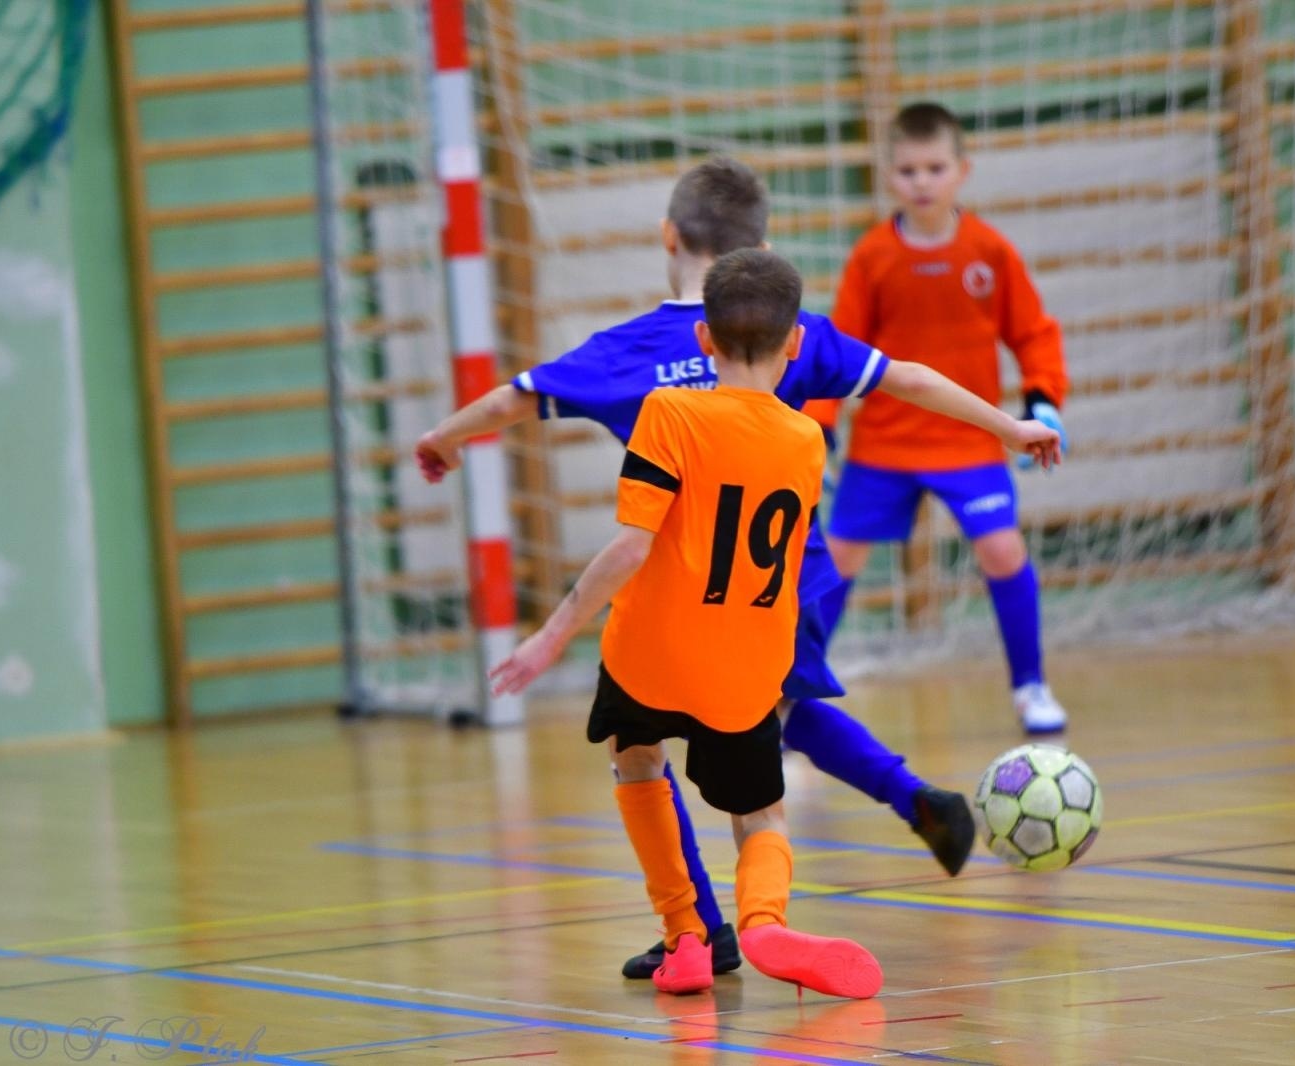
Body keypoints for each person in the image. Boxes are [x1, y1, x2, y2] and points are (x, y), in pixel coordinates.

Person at [415, 157, 1060, 980]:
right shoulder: (799, 338)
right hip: (789, 582)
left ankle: (700, 929)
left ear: (668, 237)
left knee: (647, 742)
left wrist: (445, 436)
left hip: (678, 594)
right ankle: (905, 809)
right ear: (765, 246)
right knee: (767, 723)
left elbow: (515, 396)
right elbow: (906, 378)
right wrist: (1006, 425)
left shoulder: (627, 356)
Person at [488, 248, 882, 997]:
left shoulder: (667, 412)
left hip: (651, 650)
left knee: (636, 758)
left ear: (702, 339)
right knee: (759, 810)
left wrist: (553, 633)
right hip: (745, 664)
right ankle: (763, 923)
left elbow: (632, 545)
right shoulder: (804, 440)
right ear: (796, 343)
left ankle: (686, 936)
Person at [804, 101, 1072, 736]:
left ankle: (1030, 686)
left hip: (970, 443)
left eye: (934, 167)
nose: (921, 181)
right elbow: (837, 348)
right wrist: (818, 422)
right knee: (835, 558)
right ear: (888, 176)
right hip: (885, 446)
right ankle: (796, 696)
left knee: (1003, 550)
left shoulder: (990, 253)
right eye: (907, 170)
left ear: (961, 171)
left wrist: (1042, 398)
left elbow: (1035, 333)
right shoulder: (871, 257)